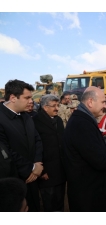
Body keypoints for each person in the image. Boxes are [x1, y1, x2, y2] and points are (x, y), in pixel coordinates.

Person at [0, 79, 44, 212]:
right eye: (27, 97)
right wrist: (30, 168)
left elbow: (37, 140)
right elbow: (5, 152)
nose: (31, 101)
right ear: (13, 98)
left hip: (33, 178)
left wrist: (37, 163)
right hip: (13, 181)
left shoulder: (25, 116)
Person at [33, 94, 66, 212]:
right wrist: (42, 170)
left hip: (60, 170)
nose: (57, 108)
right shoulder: (35, 121)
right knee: (50, 205)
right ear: (45, 107)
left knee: (60, 202)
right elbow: (35, 147)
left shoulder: (59, 120)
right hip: (46, 173)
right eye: (54, 106)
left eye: (58, 105)